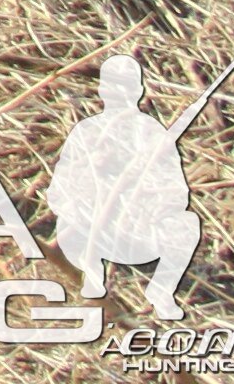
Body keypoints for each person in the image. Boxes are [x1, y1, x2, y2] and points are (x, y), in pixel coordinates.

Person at [48, 53, 204, 319]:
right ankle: (92, 288)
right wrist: (97, 184)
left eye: (128, 86)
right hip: (90, 233)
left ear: (139, 90)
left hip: (137, 233)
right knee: (68, 226)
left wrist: (145, 187)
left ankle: (161, 291)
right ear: (102, 90)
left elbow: (177, 194)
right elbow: (58, 193)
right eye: (113, 85)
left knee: (187, 225)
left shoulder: (153, 134)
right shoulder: (86, 132)